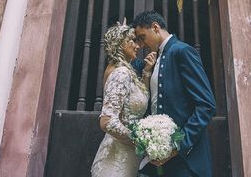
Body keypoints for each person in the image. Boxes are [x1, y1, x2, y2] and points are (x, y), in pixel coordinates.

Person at [132, 10, 216, 177]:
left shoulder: (182, 51)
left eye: (142, 37)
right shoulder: (155, 59)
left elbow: (207, 105)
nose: (141, 44)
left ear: (155, 28)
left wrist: (178, 145)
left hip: (186, 161)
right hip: (159, 160)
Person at [91, 22, 157, 177]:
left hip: (128, 159)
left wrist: (146, 72)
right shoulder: (120, 73)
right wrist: (140, 140)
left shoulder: (126, 70)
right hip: (114, 164)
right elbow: (107, 121)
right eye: (132, 40)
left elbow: (139, 99)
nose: (137, 46)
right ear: (120, 43)